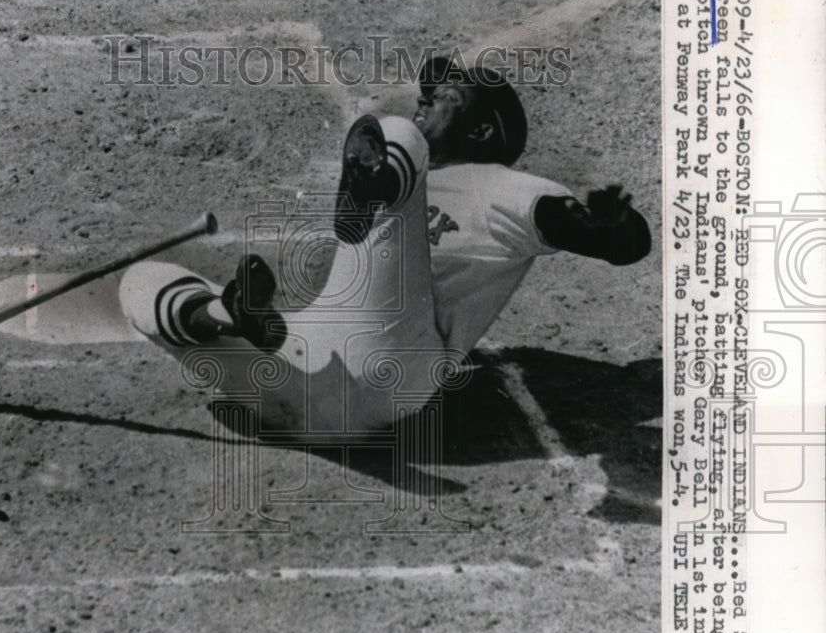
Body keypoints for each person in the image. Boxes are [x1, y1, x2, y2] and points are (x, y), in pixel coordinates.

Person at [119, 56, 651, 434]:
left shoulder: (509, 189)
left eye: (443, 98)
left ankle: (375, 185)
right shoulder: (428, 176)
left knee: (396, 133)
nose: (425, 102)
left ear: (483, 132)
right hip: (292, 381)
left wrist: (613, 227)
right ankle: (229, 316)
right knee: (142, 281)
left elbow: (618, 244)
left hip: (391, 368)